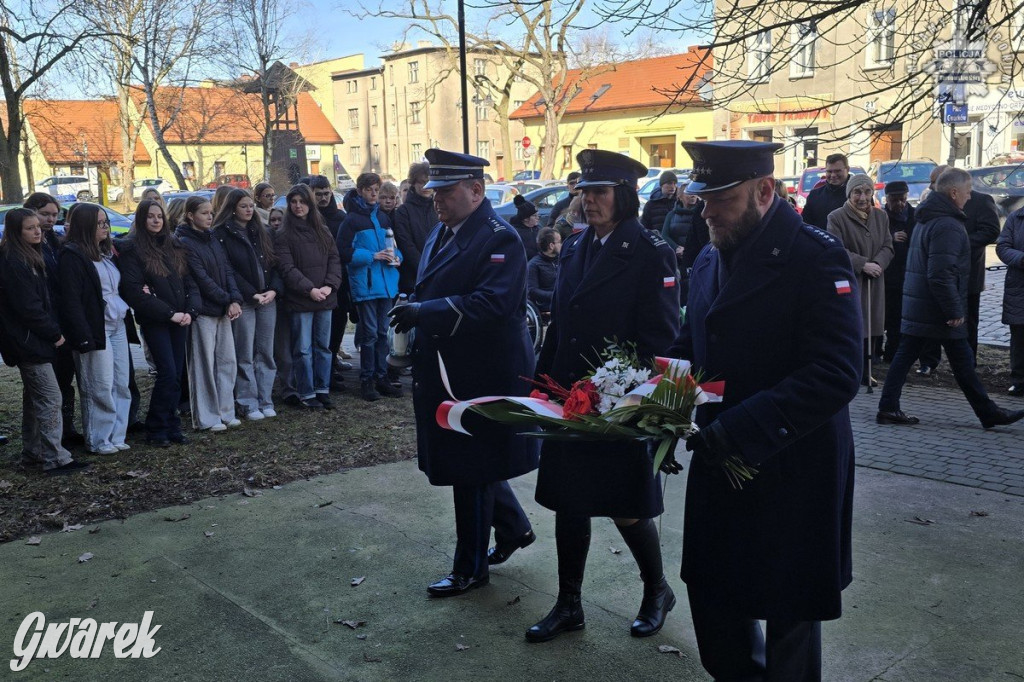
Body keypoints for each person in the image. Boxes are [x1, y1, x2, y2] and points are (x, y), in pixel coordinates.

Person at [671, 140, 862, 681]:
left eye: (720, 199)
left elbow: (836, 372)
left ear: (763, 190)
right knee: (713, 600)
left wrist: (738, 429)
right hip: (718, 461)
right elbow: (691, 343)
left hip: (791, 468)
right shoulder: (710, 253)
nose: (706, 211)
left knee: (789, 620)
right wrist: (655, 406)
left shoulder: (815, 255)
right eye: (703, 197)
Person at [527, 149, 681, 643]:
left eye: (600, 192)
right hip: (571, 395)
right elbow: (561, 322)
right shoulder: (574, 247)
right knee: (568, 502)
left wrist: (639, 400)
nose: (589, 201)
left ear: (624, 197)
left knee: (625, 504)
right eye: (585, 192)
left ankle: (656, 590)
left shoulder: (650, 251)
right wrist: (543, 383)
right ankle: (569, 603)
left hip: (619, 401)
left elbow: (662, 337)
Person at [387, 149, 538, 598]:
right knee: (471, 461)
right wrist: (412, 301)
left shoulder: (500, 238)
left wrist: (424, 310)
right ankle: (512, 528)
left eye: (447, 191)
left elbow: (491, 304)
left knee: (470, 467)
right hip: (449, 365)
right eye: (434, 191)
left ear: (476, 190)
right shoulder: (445, 231)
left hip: (482, 371)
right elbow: (433, 282)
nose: (437, 199)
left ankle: (469, 568)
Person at [877, 168, 1024, 429]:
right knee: (960, 362)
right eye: (967, 192)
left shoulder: (927, 217)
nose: (969, 198)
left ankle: (889, 406)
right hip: (937, 309)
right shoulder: (947, 224)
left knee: (926, 357)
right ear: (954, 192)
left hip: (923, 304)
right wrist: (954, 310)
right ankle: (988, 413)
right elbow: (940, 273)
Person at [0, 209, 89, 475]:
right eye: (30, 228)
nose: (38, 231)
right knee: (50, 397)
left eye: (38, 226)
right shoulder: (13, 262)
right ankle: (55, 457)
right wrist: (54, 333)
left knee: (35, 398)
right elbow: (28, 308)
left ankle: (34, 453)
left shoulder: (28, 256)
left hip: (32, 339)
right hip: (29, 341)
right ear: (16, 232)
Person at [119, 200, 198, 447]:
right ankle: (157, 427)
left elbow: (189, 282)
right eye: (150, 217)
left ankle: (171, 423)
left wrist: (190, 311)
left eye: (159, 217)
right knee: (167, 373)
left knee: (177, 374)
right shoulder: (133, 250)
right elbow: (135, 293)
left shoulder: (174, 245)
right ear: (141, 220)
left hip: (179, 318)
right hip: (157, 320)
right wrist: (169, 313)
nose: (156, 221)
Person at [58, 204, 131, 455]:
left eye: (106, 222)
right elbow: (71, 301)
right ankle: (99, 438)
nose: (105, 227)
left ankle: (117, 434)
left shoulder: (106, 253)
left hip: (117, 323)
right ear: (85, 226)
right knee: (98, 384)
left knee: (121, 382)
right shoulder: (72, 255)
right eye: (99, 223)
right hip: (93, 328)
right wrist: (82, 336)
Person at [176, 197, 243, 431]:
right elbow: (200, 278)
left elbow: (227, 270)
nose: (209, 217)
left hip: (224, 309)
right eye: (204, 213)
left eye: (211, 213)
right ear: (190, 215)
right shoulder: (184, 242)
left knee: (227, 362)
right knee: (203, 364)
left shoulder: (213, 238)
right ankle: (207, 417)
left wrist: (234, 299)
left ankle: (226, 411)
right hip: (204, 310)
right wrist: (228, 299)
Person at [213, 188, 281, 420]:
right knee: (245, 352)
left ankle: (266, 399)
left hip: (268, 299)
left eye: (251, 205)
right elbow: (228, 270)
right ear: (232, 208)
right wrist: (252, 294)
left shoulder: (262, 231)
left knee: (266, 352)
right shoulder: (222, 234)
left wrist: (273, 289)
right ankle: (248, 402)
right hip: (245, 300)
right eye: (244, 206)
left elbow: (274, 263)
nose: (250, 210)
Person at [274, 184, 343, 409]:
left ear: (309, 204)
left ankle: (322, 389)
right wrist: (309, 289)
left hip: (325, 297)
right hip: (301, 299)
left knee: (323, 347)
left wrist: (329, 286)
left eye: (302, 202)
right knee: (302, 349)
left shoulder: (322, 229)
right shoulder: (284, 234)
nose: (297, 206)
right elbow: (287, 268)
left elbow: (334, 259)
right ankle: (306, 391)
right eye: (293, 202)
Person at [23, 193, 82, 447]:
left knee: (65, 381)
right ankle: (39, 442)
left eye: (54, 215)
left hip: (63, 320)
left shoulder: (54, 241)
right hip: (43, 325)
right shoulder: (25, 247)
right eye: (44, 214)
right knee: (44, 388)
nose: (50, 220)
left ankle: (65, 428)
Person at [338, 172, 403, 401]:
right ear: (360, 191)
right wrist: (372, 256)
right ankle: (367, 380)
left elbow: (394, 247)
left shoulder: (384, 219)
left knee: (383, 333)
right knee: (369, 335)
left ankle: (381, 376)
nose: (374, 193)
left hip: (386, 284)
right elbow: (343, 252)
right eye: (369, 190)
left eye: (377, 189)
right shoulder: (352, 221)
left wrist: (397, 258)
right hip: (366, 285)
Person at [826, 173, 894, 386]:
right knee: (854, 326)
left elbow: (888, 245)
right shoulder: (836, 217)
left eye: (866, 192)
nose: (862, 197)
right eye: (857, 192)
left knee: (873, 325)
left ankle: (868, 370)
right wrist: (862, 264)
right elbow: (835, 250)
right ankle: (852, 371)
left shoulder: (881, 216)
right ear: (850, 194)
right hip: (853, 281)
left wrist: (878, 264)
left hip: (875, 280)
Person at [303, 175, 351, 390]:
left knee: (337, 326)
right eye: (318, 194)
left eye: (326, 193)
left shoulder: (340, 217)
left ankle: (330, 368)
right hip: (313, 283)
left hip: (337, 281)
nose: (323, 198)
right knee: (316, 332)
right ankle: (316, 374)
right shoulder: (305, 218)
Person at [881, 181, 916, 362]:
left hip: (907, 274)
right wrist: (891, 238)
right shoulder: (880, 216)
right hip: (886, 275)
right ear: (887, 199)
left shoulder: (914, 215)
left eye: (903, 200)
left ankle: (892, 353)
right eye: (895, 200)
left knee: (899, 319)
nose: (900, 204)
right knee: (882, 316)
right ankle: (877, 351)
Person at [393, 162, 437, 297]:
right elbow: (406, 244)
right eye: (421, 182)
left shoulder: (438, 208)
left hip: (438, 274)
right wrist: (425, 268)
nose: (426, 186)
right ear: (413, 183)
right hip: (413, 279)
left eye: (429, 182)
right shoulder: (403, 211)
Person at [997, 204, 1024, 396]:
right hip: (1019, 286)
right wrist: (1021, 259)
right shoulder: (1016, 218)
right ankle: (1019, 380)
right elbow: (1003, 246)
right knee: (1019, 335)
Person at [802, 152, 851, 230]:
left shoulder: (859, 196)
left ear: (847, 169)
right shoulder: (814, 196)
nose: (833, 175)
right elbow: (806, 225)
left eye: (837, 171)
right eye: (829, 171)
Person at [527, 227, 560, 314]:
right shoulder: (534, 265)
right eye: (559, 242)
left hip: (562, 302)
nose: (562, 244)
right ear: (551, 246)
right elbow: (532, 290)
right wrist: (554, 295)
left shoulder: (562, 260)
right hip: (546, 306)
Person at [510, 195, 540, 260]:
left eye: (538, 215)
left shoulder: (539, 228)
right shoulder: (516, 233)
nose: (537, 218)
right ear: (525, 219)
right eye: (534, 216)